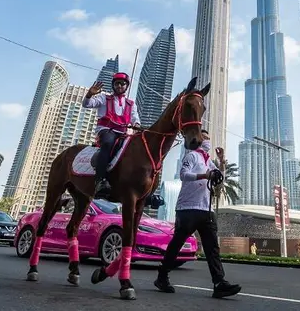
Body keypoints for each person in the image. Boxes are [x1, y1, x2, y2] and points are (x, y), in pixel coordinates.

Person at [154, 129, 241, 299]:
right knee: (176, 244)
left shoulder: (208, 161)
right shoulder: (192, 156)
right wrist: (203, 175)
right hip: (188, 208)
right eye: (205, 137)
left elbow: (219, 176)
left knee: (212, 248)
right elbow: (183, 175)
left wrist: (222, 161)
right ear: (199, 140)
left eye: (209, 137)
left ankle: (219, 283)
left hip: (206, 209)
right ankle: (162, 277)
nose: (208, 140)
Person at [82, 72, 141, 197]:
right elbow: (86, 104)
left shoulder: (131, 103)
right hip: (106, 130)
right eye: (117, 83)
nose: (120, 86)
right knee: (109, 142)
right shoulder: (104, 98)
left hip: (123, 133)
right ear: (113, 85)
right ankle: (100, 180)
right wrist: (90, 94)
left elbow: (135, 119)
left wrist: (136, 124)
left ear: (127, 86)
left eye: (123, 84)